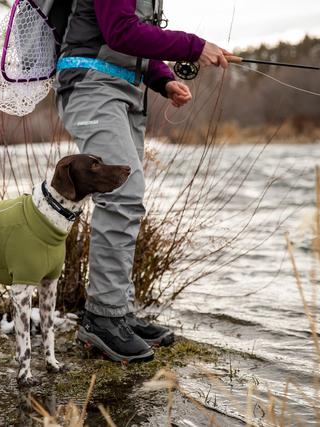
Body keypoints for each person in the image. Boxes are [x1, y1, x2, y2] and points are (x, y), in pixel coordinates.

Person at [55, 0, 230, 361]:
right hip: (91, 84)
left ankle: (119, 311)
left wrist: (163, 80)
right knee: (121, 196)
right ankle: (102, 319)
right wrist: (194, 47)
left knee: (130, 200)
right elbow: (121, 31)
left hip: (124, 89)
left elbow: (131, 43)